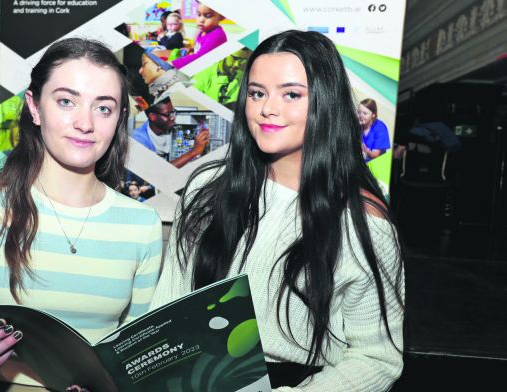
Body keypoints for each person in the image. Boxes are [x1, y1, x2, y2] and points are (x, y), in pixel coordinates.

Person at [150, 30, 404, 391]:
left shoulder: (363, 221)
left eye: (291, 94)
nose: (268, 108)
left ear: (325, 102)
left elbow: (378, 358)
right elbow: (168, 309)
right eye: (257, 93)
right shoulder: (206, 189)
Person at [0, 38, 163, 391]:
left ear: (120, 118)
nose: (85, 123)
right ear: (34, 107)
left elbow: (137, 355)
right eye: (66, 101)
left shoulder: (142, 225)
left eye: (103, 108)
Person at [131, 97, 210, 168]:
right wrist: (193, 152)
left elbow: (198, 122)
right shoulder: (138, 139)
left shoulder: (171, 124)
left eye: (173, 112)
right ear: (152, 116)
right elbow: (158, 172)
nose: (173, 118)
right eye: (168, 114)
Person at [170, 3, 227, 68]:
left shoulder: (217, 35)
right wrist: (191, 49)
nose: (201, 20)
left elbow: (200, 57)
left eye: (208, 16)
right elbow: (201, 48)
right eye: (199, 15)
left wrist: (173, 63)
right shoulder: (203, 31)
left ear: (222, 16)